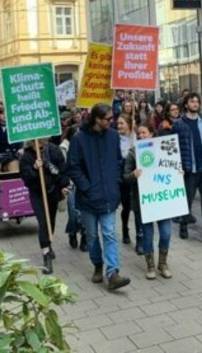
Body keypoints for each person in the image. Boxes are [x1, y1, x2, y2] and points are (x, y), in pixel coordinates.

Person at [67, 103, 131, 290]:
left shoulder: (112, 136)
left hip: (109, 195)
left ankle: (113, 273)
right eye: (107, 119)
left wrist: (116, 181)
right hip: (88, 198)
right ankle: (97, 264)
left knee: (109, 234)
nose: (111, 122)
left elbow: (118, 161)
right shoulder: (79, 139)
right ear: (96, 119)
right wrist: (86, 186)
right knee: (93, 236)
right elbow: (73, 166)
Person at [124, 123, 174, 279]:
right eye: (139, 134)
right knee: (147, 234)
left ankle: (163, 263)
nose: (141, 136)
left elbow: (171, 168)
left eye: (144, 133)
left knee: (166, 233)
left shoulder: (164, 150)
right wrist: (134, 175)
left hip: (161, 201)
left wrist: (178, 172)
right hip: (143, 202)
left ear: (152, 134)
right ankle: (150, 265)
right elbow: (125, 177)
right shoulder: (133, 153)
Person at [172, 92, 202, 245]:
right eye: (192, 101)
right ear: (186, 104)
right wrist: (178, 166)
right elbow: (174, 147)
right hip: (189, 168)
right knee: (187, 200)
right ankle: (183, 225)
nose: (195, 104)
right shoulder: (179, 124)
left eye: (197, 102)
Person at [19, 138, 71, 274]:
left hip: (52, 191)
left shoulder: (54, 151)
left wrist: (64, 185)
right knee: (43, 221)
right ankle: (46, 253)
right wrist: (35, 169)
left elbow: (62, 170)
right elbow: (26, 179)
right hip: (37, 193)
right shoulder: (26, 156)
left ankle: (48, 242)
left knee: (50, 221)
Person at [116, 113, 142, 252]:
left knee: (137, 208)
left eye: (122, 123)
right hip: (123, 175)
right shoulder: (115, 139)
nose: (119, 126)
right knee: (126, 206)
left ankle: (140, 239)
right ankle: (125, 229)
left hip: (137, 175)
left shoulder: (136, 137)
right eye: (118, 123)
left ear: (129, 124)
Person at [61, 125, 88, 252]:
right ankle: (72, 232)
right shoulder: (64, 149)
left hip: (85, 184)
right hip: (71, 185)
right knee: (73, 213)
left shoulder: (87, 146)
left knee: (85, 213)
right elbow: (62, 169)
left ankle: (84, 236)